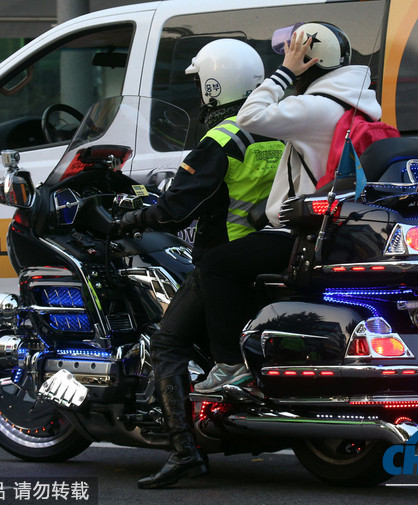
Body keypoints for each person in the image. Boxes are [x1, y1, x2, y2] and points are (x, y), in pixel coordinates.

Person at [120, 38, 285, 489]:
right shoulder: (276, 128)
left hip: (222, 258)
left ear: (213, 86)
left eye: (201, 86)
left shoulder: (221, 138)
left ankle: (183, 450)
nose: (198, 96)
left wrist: (128, 219)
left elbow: (177, 209)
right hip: (269, 252)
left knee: (167, 346)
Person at [194, 22, 383, 393]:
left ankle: (231, 365)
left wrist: (284, 74)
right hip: (330, 228)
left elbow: (248, 117)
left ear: (309, 60)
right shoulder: (357, 103)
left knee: (216, 265)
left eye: (292, 53)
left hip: (300, 233)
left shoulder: (315, 107)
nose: (285, 59)